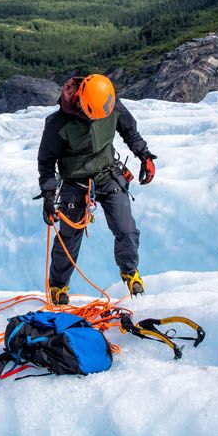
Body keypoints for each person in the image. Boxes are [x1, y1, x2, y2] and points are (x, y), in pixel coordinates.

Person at [37, 74, 157, 305]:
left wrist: (145, 155)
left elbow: (129, 130)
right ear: (80, 100)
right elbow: (46, 162)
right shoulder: (58, 124)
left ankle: (129, 272)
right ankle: (58, 287)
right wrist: (49, 195)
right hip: (75, 181)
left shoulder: (107, 102)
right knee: (69, 237)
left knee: (126, 229)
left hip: (107, 173)